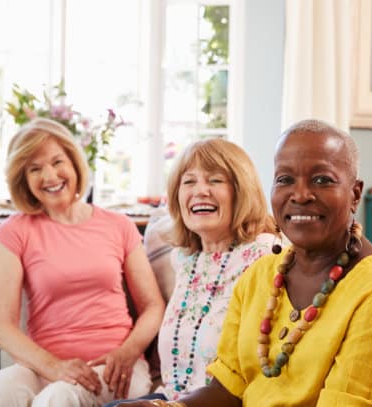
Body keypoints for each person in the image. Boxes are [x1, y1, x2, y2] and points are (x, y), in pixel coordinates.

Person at [115, 119, 372, 407]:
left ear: (355, 194)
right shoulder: (261, 275)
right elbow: (228, 387)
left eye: (322, 179)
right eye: (285, 179)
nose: (300, 195)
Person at [0, 118, 165, 406]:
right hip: (46, 367)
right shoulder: (14, 231)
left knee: (58, 399)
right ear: (23, 178)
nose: (49, 176)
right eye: (35, 169)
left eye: (57, 161)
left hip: (115, 368)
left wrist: (127, 352)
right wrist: (54, 367)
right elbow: (1, 324)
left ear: (74, 163)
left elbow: (153, 305)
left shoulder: (118, 225)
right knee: (0, 388)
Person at [105, 138, 277, 406]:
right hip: (172, 399)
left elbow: (253, 374)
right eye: (189, 182)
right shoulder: (184, 259)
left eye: (215, 180)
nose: (200, 191)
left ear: (241, 191)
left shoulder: (264, 257)